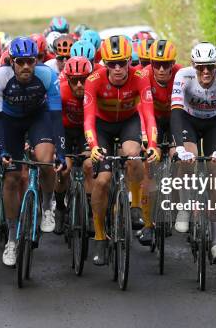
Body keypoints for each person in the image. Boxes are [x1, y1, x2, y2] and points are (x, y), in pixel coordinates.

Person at [0, 37, 66, 267]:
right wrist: (1, 148)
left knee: (45, 161)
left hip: (37, 119)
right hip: (9, 123)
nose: (25, 66)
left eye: (30, 61)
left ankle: (48, 205)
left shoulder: (47, 76)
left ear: (36, 61)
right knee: (11, 178)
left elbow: (55, 117)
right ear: (12, 61)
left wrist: (60, 150)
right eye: (20, 61)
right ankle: (12, 238)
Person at [83, 35, 159, 265]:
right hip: (102, 126)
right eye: (111, 64)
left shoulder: (139, 77)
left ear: (130, 61)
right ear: (104, 63)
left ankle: (135, 206)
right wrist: (94, 146)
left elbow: (148, 114)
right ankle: (99, 237)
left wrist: (153, 145)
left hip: (128, 122)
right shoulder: (94, 79)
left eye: (122, 62)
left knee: (134, 155)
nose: (117, 68)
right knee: (103, 181)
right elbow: (87, 120)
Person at [170, 42, 216, 265]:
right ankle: (184, 208)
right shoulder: (183, 76)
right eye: (200, 67)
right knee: (186, 160)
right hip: (188, 121)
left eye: (210, 67)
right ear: (193, 65)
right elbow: (177, 112)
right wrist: (179, 147)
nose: (206, 72)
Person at [137, 39, 182, 245]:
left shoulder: (181, 74)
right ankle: (147, 225)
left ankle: (177, 203)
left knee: (178, 157)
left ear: (173, 63)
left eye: (166, 64)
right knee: (149, 166)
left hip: (175, 118)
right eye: (157, 64)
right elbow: (141, 108)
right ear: (151, 63)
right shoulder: (144, 75)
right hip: (151, 118)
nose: (162, 69)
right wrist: (147, 138)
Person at [53, 56, 94, 234]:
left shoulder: (94, 91)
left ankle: (90, 213)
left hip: (87, 131)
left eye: (83, 80)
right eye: (74, 81)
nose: (79, 85)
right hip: (65, 132)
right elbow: (52, 122)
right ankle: (60, 207)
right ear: (67, 79)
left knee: (89, 166)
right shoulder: (60, 92)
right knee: (64, 169)